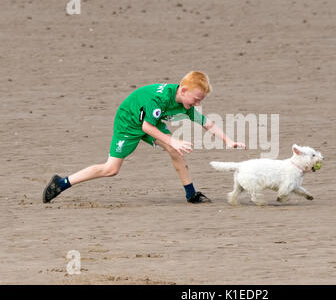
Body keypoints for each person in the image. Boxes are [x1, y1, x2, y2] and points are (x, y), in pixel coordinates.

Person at [42, 71, 246, 204]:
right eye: (196, 99)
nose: (198, 104)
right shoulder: (160, 98)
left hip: (150, 122)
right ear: (183, 91)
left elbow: (207, 123)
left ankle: (191, 194)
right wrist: (172, 139)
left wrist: (228, 141)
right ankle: (61, 183)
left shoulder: (184, 103)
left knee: (174, 149)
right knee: (111, 169)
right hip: (129, 121)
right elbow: (146, 127)